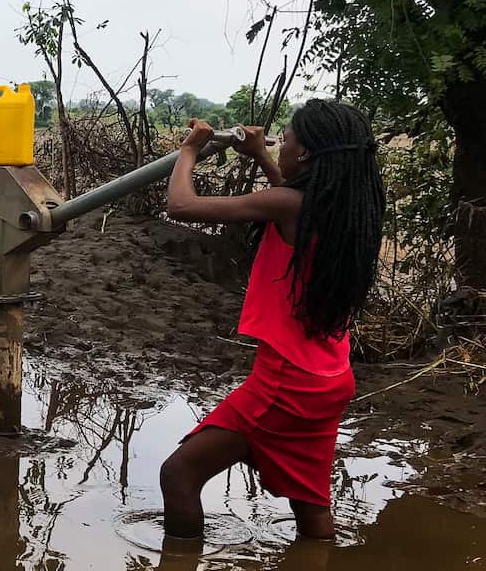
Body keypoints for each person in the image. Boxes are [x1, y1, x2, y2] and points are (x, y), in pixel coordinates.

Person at [159, 100, 384, 540]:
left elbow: (181, 206)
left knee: (179, 475)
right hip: (329, 377)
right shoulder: (345, 209)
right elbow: (289, 198)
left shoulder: (290, 204)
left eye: (286, 138)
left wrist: (189, 150)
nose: (280, 143)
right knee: (311, 502)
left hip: (286, 382)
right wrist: (261, 156)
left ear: (305, 155)